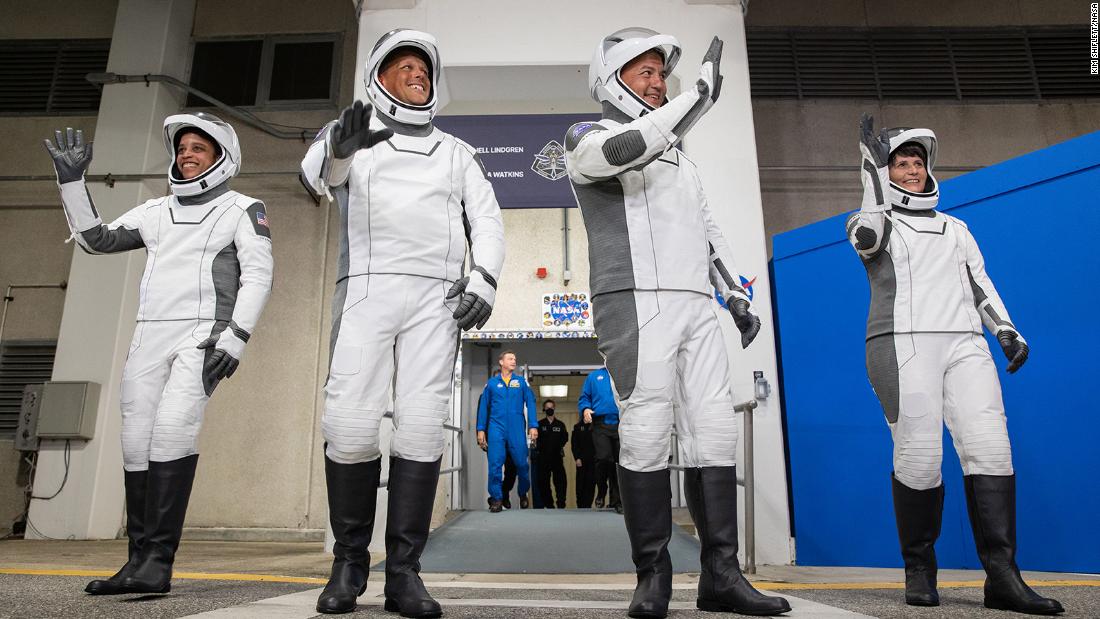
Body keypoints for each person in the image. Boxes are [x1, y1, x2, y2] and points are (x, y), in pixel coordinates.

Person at [565, 28, 791, 618]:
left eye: (662, 74)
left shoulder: (681, 161)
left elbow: (708, 231)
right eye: (646, 73)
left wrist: (735, 292)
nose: (659, 83)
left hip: (696, 304)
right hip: (636, 301)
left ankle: (722, 575)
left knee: (713, 432)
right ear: (612, 80)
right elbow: (622, 152)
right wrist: (694, 100)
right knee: (643, 430)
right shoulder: (590, 135)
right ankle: (653, 577)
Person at [300, 28, 505, 616]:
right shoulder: (350, 137)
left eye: (424, 67)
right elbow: (315, 178)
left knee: (419, 427)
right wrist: (342, 147)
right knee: (350, 424)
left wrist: (484, 278)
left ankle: (405, 573)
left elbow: (486, 222)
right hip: (368, 290)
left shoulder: (456, 152)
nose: (418, 73)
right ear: (380, 77)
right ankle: (348, 566)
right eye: (404, 65)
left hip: (436, 301)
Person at [43, 115, 273, 595]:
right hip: (148, 338)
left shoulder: (242, 208)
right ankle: (137, 562)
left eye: (198, 149)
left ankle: (159, 563)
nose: (187, 155)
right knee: (135, 444)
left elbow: (258, 275)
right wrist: (71, 181)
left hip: (202, 338)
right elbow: (95, 241)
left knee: (171, 436)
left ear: (221, 158)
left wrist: (237, 335)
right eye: (182, 148)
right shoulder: (154, 211)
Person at [847, 114, 1063, 615]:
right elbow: (868, 241)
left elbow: (980, 285)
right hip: (903, 344)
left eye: (917, 162)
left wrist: (1006, 330)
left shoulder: (957, 227)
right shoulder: (868, 221)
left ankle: (1003, 577)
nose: (912, 170)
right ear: (884, 171)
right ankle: (919, 570)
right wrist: (869, 176)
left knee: (991, 450)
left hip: (967, 345)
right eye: (900, 163)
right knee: (919, 459)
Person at [477, 350, 538, 513]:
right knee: (495, 465)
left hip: (517, 428)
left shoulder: (521, 382)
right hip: (496, 427)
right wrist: (481, 429)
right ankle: (496, 499)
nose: (513, 360)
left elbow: (531, 403)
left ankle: (523, 491)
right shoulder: (491, 384)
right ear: (501, 362)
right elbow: (483, 407)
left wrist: (533, 425)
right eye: (510, 358)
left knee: (522, 465)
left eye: (515, 359)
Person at [578, 367, 621, 512]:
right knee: (604, 458)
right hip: (600, 423)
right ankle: (602, 490)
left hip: (621, 423)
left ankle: (617, 501)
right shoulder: (594, 376)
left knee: (618, 463)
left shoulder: (623, 374)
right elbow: (584, 397)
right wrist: (585, 409)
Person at [535, 399, 568, 508]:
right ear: (544, 409)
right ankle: (549, 505)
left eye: (551, 407)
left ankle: (561, 504)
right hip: (543, 458)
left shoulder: (560, 424)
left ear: (554, 408)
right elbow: (536, 440)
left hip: (557, 458)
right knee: (543, 483)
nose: (549, 409)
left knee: (561, 482)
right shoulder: (539, 425)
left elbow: (565, 438)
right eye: (547, 407)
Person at [570, 410, 596, 508]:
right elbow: (574, 445)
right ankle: (580, 504)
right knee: (581, 482)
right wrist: (577, 458)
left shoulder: (595, 427)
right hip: (581, 460)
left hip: (593, 460)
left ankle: (588, 504)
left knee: (591, 482)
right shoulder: (577, 427)